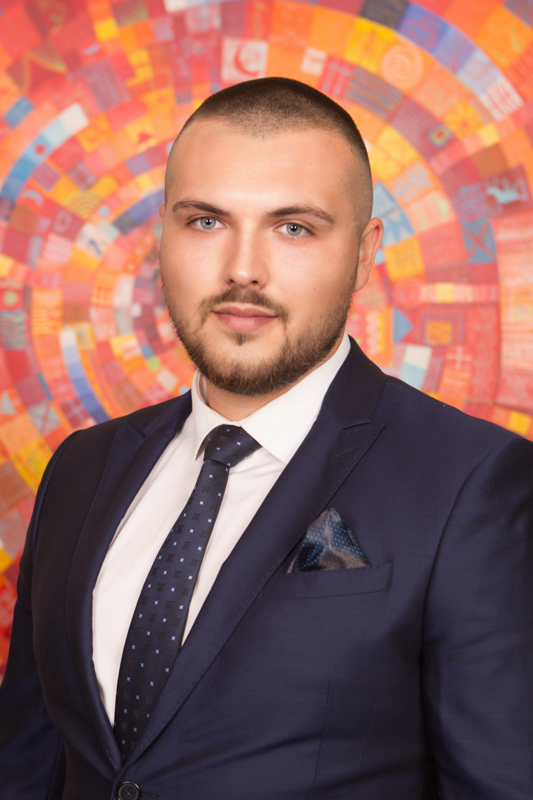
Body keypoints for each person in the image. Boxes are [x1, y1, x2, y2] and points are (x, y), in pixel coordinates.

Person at [0, 77, 532, 800]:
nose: (242, 270)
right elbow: (29, 760)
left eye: (294, 228)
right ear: (162, 236)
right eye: (206, 221)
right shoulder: (82, 467)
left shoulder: (473, 481)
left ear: (364, 252)